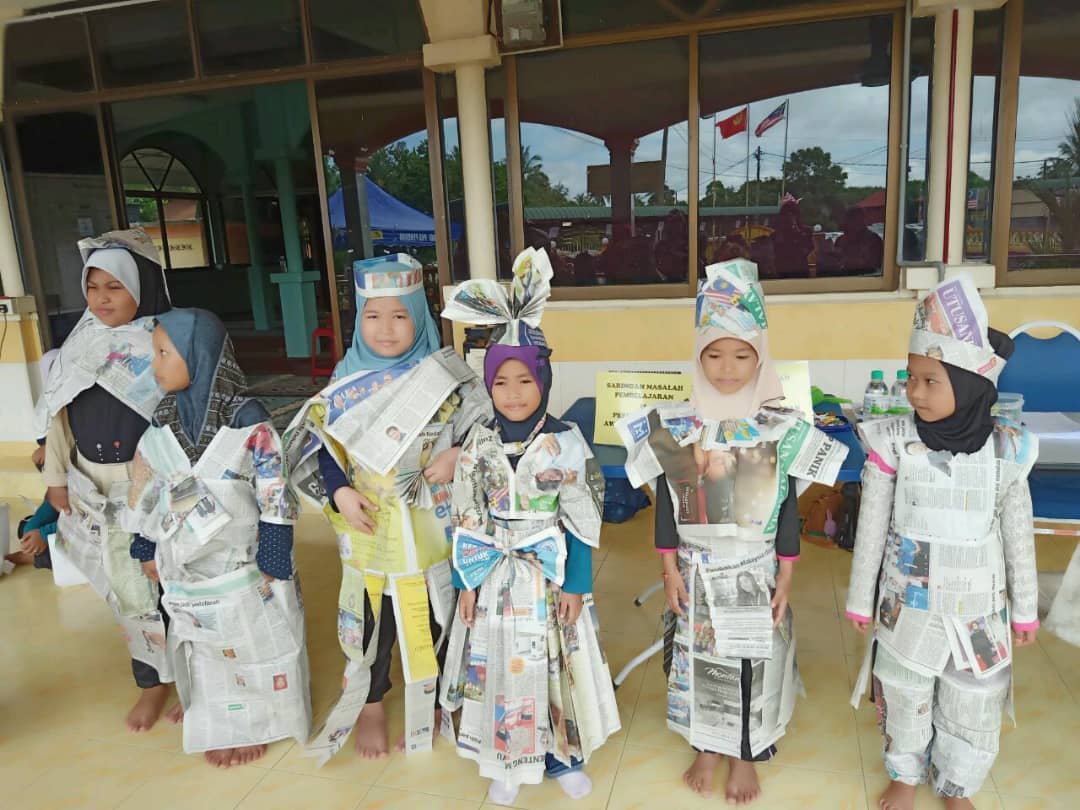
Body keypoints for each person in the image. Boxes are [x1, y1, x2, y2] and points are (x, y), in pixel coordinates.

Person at [618, 258, 847, 805]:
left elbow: (787, 509)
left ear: (760, 355)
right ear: (698, 357)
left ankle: (745, 753)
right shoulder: (678, 425)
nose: (727, 367)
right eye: (714, 354)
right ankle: (706, 744)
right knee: (695, 657)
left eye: (742, 355)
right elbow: (667, 506)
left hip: (754, 568)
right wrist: (668, 568)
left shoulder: (780, 425)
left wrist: (786, 575)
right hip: (694, 571)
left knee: (749, 661)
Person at [284, 253, 490, 764]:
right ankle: (371, 702)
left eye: (400, 315)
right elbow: (325, 447)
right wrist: (339, 492)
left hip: (432, 530)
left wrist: (459, 456)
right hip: (368, 526)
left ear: (419, 315)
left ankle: (438, 700)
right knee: (371, 620)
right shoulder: (346, 376)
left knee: (437, 615)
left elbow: (484, 435)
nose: (385, 328)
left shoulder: (447, 375)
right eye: (372, 315)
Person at [846, 274, 1039, 810]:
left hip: (979, 610)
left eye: (931, 381)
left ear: (972, 385)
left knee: (973, 701)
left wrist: (1025, 609)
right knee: (903, 690)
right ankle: (905, 774)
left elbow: (1018, 534)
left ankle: (957, 785)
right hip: (907, 606)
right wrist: (860, 598)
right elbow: (872, 526)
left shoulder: (1007, 452)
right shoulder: (893, 443)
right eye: (912, 377)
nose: (914, 392)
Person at [439, 247, 619, 806]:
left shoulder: (566, 442)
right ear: (488, 387)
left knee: (554, 664)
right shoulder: (478, 443)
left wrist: (577, 584)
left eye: (524, 380)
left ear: (543, 378)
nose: (513, 393)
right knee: (499, 664)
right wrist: (466, 584)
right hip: (493, 576)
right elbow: (466, 514)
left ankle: (563, 756)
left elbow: (582, 518)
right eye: (501, 383)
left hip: (549, 576)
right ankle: (505, 758)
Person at [125, 308, 309, 768]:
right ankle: (215, 718)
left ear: (199, 355)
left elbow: (274, 486)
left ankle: (260, 722)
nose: (155, 364)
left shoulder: (247, 418)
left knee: (254, 640)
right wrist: (145, 545)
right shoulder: (161, 420)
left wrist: (274, 547)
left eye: (164, 353)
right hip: (185, 563)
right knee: (203, 642)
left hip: (244, 560)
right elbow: (145, 488)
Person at [34, 228, 174, 732]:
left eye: (115, 286)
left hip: (154, 486)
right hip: (93, 485)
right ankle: (151, 683)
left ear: (141, 287)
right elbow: (58, 417)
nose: (101, 298)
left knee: (171, 582)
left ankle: (194, 673)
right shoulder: (79, 346)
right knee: (129, 592)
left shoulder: (164, 342)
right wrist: (55, 480)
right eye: (92, 288)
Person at [5, 445, 57, 570]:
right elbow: (53, 503)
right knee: (25, 529)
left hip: (87, 529)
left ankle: (32, 558)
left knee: (62, 554)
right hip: (67, 513)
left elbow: (84, 525)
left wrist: (44, 534)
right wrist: (33, 528)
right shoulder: (63, 481)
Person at [835, 207, 884, 274]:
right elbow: (835, 262)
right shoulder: (840, 240)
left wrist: (846, 260)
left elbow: (873, 266)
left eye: (854, 221)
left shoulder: (873, 240)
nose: (846, 226)